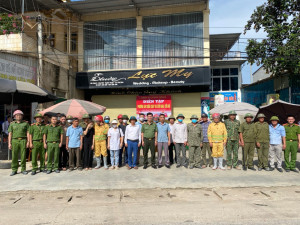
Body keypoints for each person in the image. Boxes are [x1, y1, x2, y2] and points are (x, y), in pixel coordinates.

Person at [8, 110, 30, 176]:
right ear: (14, 116)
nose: (18, 116)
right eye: (17, 115)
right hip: (14, 141)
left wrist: (28, 141)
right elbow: (10, 134)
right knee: (14, 156)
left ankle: (23, 169)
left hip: (23, 140)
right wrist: (9, 143)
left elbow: (28, 133)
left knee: (23, 156)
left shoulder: (26, 124)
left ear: (22, 116)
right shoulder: (12, 124)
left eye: (20, 115)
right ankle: (14, 169)